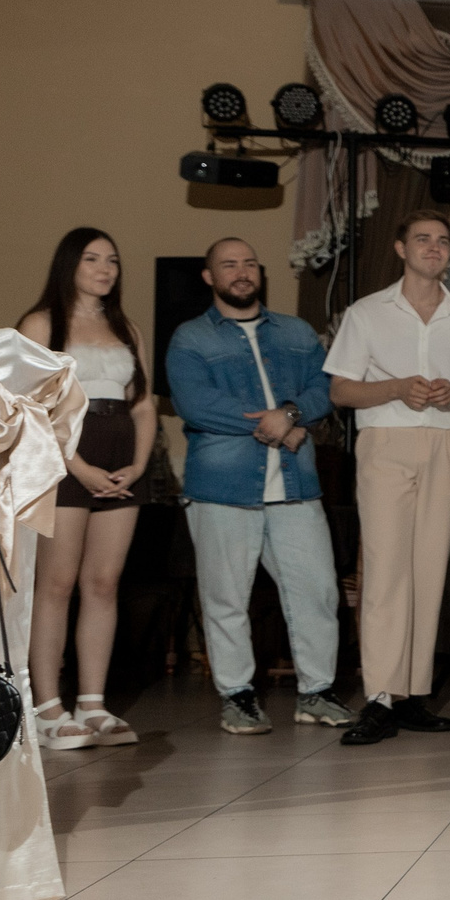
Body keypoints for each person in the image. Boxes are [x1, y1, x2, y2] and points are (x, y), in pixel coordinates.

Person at [164, 238, 354, 735]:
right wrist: (275, 425)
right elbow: (195, 404)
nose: (242, 272)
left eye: (249, 263)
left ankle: (317, 692)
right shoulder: (190, 337)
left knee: (317, 590)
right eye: (229, 265)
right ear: (209, 277)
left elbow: (324, 389)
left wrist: (290, 414)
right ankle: (238, 696)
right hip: (221, 487)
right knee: (226, 597)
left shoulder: (295, 332)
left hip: (296, 486)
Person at [325, 208, 450, 745]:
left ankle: (413, 693)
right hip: (386, 440)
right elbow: (340, 390)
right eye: (422, 239)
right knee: (384, 569)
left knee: (429, 568)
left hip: (447, 442)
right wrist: (397, 388)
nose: (434, 248)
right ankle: (380, 696)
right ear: (401, 248)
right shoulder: (367, 313)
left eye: (442, 240)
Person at [18, 228, 154, 750]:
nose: (105, 269)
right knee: (57, 583)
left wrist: (138, 465)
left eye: (112, 260)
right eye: (93, 259)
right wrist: (77, 465)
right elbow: (31, 409)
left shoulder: (126, 326)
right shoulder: (40, 322)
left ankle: (92, 703)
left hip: (121, 454)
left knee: (103, 582)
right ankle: (47, 707)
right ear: (70, 264)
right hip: (63, 457)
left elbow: (143, 402)